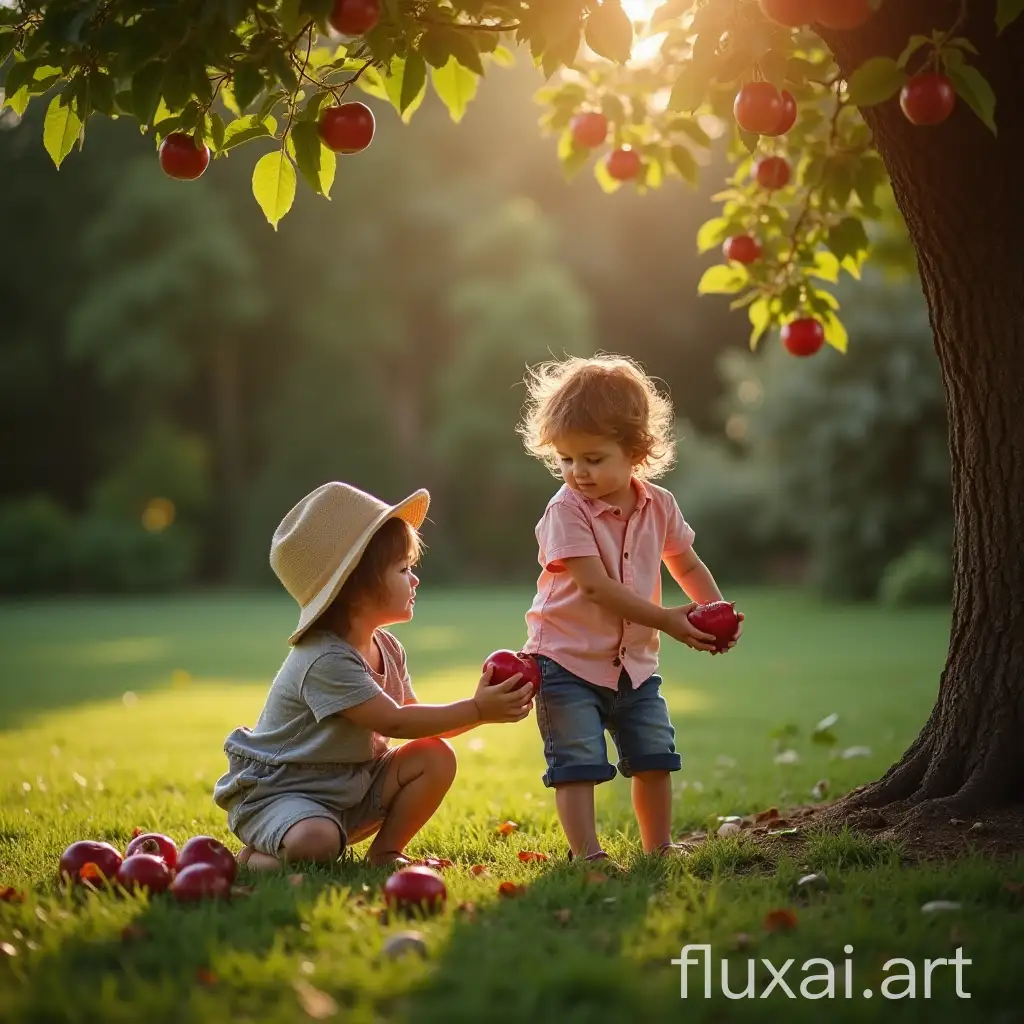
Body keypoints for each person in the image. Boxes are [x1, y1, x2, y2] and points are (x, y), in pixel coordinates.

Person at [213, 481, 532, 870]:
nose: (414, 580)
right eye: (402, 569)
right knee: (317, 842)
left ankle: (384, 853)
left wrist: (481, 708)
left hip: (350, 785)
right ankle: (251, 859)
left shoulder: (388, 648)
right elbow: (394, 720)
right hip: (283, 794)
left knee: (434, 756)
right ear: (355, 587)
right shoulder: (324, 659)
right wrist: (478, 710)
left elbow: (415, 717)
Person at [517, 355, 743, 863]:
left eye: (593, 459)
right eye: (566, 460)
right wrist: (669, 620)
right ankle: (588, 854)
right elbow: (595, 588)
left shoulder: (659, 504)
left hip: (635, 667)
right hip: (565, 662)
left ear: (636, 451)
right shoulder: (565, 510)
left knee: (655, 757)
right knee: (577, 763)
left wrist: (714, 611)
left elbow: (684, 562)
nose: (578, 473)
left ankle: (659, 847)